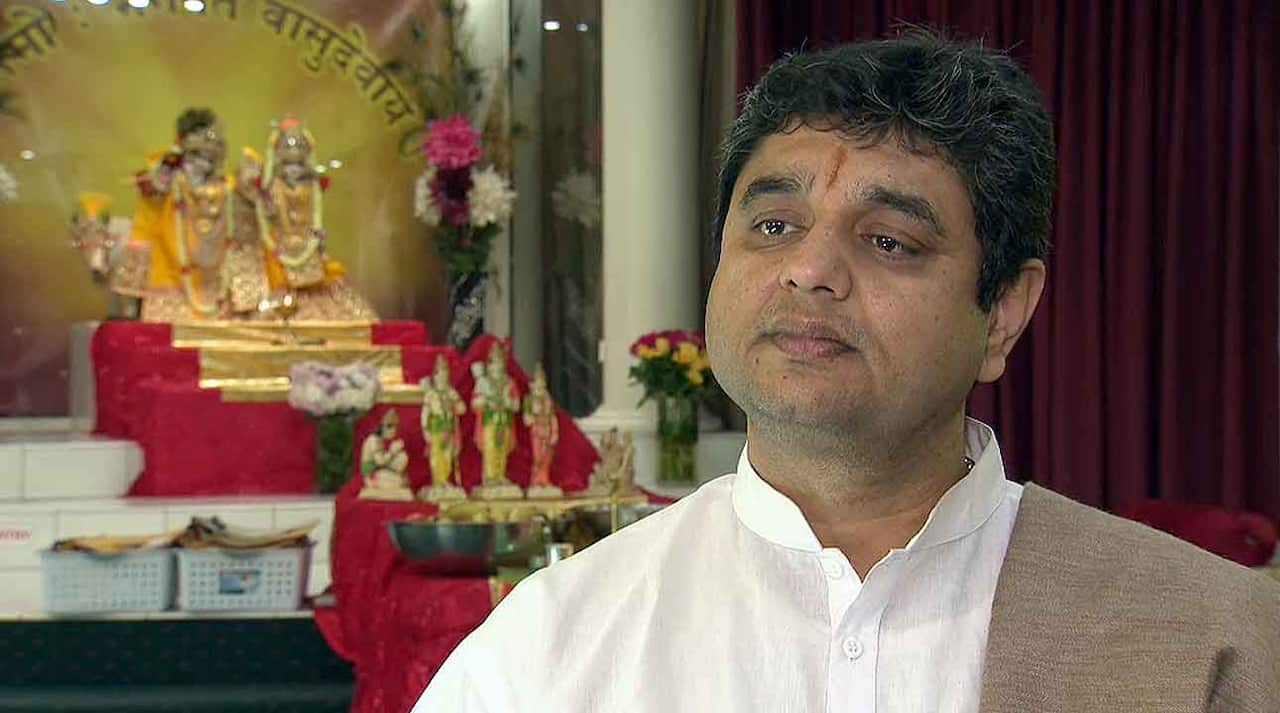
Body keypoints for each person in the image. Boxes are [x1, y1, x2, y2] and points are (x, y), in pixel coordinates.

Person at [413, 31, 1279, 712]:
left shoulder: (1201, 639)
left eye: (889, 241)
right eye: (774, 226)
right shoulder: (552, 645)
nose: (809, 270)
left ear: (1004, 313)